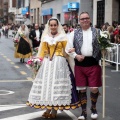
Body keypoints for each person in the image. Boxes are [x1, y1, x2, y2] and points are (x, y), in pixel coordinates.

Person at [26, 17, 80, 118]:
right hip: (47, 62)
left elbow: (67, 50)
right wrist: (38, 61)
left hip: (59, 62)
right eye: (51, 25)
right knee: (48, 86)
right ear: (49, 26)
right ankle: (48, 108)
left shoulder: (63, 37)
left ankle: (54, 111)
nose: (53, 27)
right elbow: (41, 51)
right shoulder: (45, 36)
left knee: (57, 86)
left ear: (57, 25)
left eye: (55, 25)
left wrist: (72, 51)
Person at [66, 12, 102, 120]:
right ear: (79, 21)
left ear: (90, 19)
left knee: (94, 88)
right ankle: (83, 112)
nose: (85, 20)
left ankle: (94, 108)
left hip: (93, 63)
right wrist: (76, 55)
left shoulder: (98, 32)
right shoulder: (73, 33)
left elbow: (106, 46)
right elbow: (67, 48)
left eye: (87, 18)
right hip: (80, 64)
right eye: (82, 19)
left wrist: (105, 49)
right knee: (81, 89)